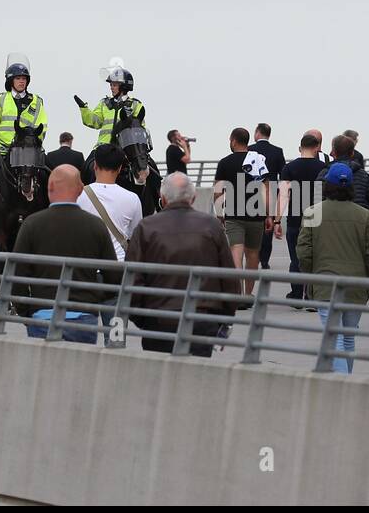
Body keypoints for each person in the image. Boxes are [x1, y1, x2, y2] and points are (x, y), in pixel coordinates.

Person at [126, 173, 240, 356]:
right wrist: (223, 320)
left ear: (162, 199)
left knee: (160, 379)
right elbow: (228, 277)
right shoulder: (211, 226)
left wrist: (143, 319)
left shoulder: (146, 227)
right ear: (193, 198)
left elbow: (133, 279)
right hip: (202, 319)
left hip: (158, 320)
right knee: (196, 379)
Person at [13, 165, 120, 344]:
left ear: (50, 187)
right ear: (80, 190)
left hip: (42, 316)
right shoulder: (96, 226)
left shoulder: (31, 225)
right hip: (83, 318)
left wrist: (27, 312)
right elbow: (113, 278)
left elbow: (17, 275)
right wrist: (92, 301)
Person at [296, 164, 369, 374]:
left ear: (327, 186)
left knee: (335, 339)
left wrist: (310, 276)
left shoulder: (313, 212)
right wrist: (366, 275)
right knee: (349, 338)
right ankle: (347, 379)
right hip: (356, 285)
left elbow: (304, 250)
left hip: (326, 285)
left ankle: (344, 385)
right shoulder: (364, 215)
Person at [0, 54, 47, 231]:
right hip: (2, 151)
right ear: (11, 81)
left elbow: (43, 126)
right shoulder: (1, 100)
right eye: (18, 78)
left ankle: (50, 211)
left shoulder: (37, 102)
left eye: (24, 78)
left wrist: (34, 141)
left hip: (28, 152)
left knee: (49, 174)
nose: (22, 82)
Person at [213, 127, 271, 301]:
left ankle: (237, 294)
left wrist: (219, 214)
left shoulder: (225, 162)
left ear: (233, 141)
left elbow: (217, 190)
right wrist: (268, 215)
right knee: (253, 255)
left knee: (235, 252)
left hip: (233, 214)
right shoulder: (258, 160)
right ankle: (248, 294)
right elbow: (266, 188)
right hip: (256, 214)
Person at [276, 133, 328, 308]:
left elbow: (283, 195)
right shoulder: (323, 167)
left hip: (295, 220)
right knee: (316, 259)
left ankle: (297, 294)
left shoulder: (289, 168)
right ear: (316, 148)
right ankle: (312, 297)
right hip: (318, 219)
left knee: (296, 258)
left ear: (301, 148)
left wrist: (277, 221)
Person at [76, 144, 144, 261]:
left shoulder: (77, 195)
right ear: (119, 168)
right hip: (119, 266)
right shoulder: (133, 199)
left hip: (86, 266)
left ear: (95, 166)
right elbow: (136, 237)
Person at [75, 66, 145, 149]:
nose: (111, 87)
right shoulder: (104, 103)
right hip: (103, 147)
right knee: (88, 161)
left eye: (114, 85)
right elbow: (94, 122)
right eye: (111, 85)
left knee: (146, 161)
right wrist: (84, 109)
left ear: (124, 87)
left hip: (125, 148)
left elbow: (139, 129)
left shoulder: (136, 105)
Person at [248, 123, 287, 269]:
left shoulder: (250, 149)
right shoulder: (277, 151)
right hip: (271, 190)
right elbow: (282, 174)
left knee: (252, 224)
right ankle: (265, 260)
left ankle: (253, 257)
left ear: (257, 133)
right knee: (267, 227)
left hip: (252, 192)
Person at [315, 134, 369, 217]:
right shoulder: (364, 175)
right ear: (352, 153)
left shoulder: (324, 173)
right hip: (359, 220)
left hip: (331, 221)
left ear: (333, 152)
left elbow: (316, 202)